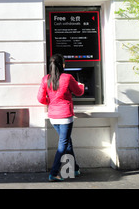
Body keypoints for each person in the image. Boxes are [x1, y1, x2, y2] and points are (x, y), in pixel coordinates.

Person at [37, 54, 84, 182]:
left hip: (53, 116)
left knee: (67, 142)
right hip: (65, 116)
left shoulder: (45, 79)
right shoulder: (68, 77)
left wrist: (52, 102)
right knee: (63, 144)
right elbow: (79, 92)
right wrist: (81, 85)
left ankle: (74, 169)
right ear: (62, 65)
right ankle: (53, 173)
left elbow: (41, 98)